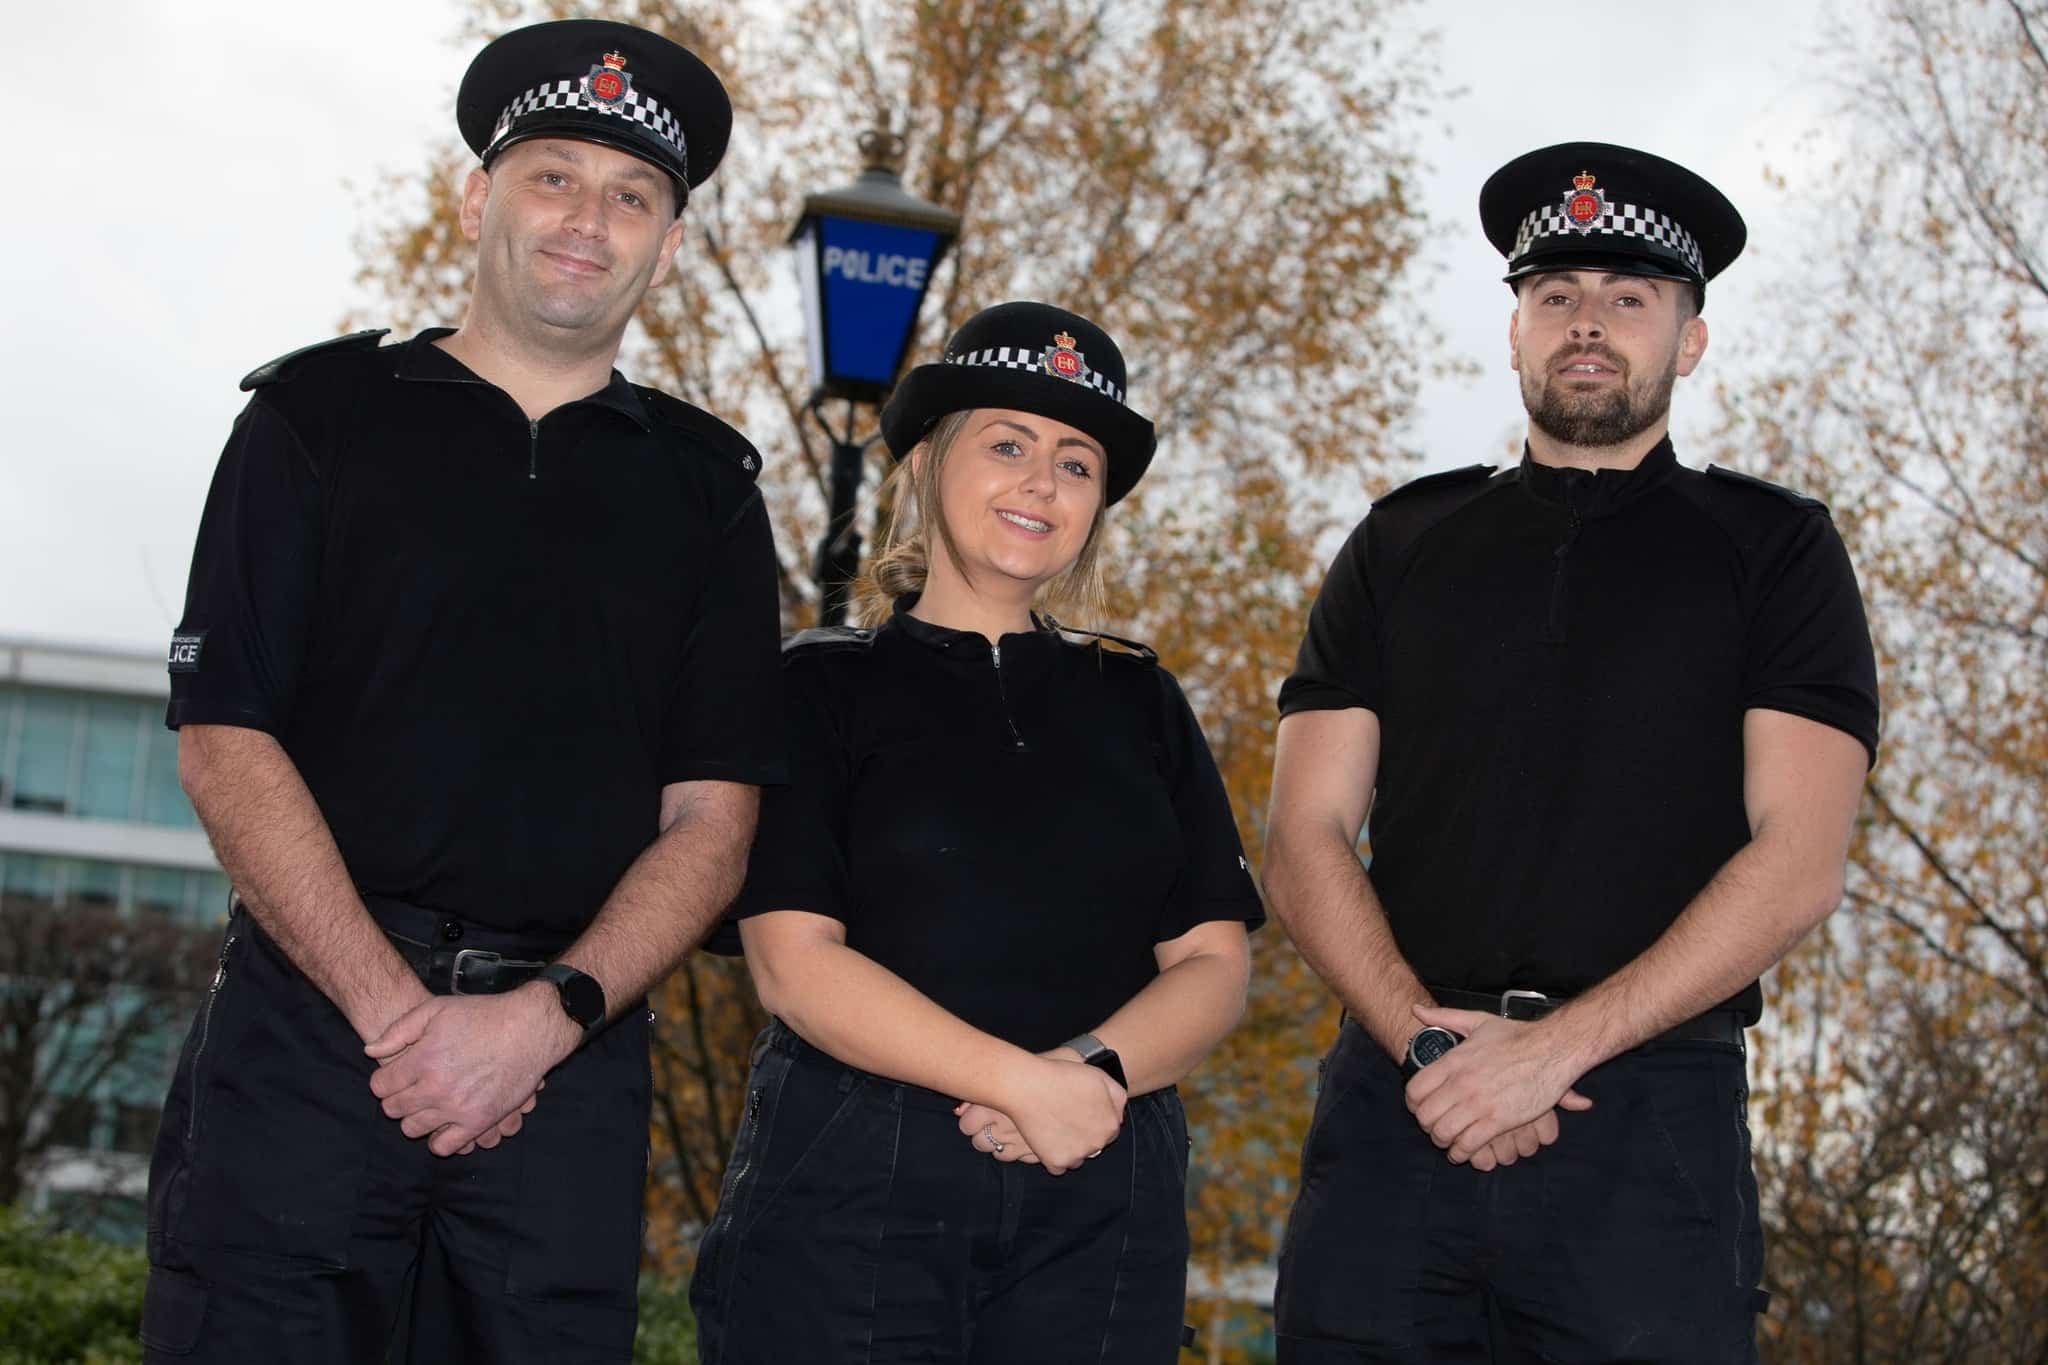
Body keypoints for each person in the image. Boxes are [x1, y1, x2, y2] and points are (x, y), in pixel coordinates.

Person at [139, 20, 785, 1364]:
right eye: (553, 177)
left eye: (630, 198)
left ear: (668, 247)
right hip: (308, 1041)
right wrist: (403, 1023)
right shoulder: (314, 421)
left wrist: (536, 1026)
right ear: (474, 197)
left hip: (566, 1065)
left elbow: (713, 823)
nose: (587, 222)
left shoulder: (709, 494)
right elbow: (224, 740)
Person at [1264, 142, 1881, 1361]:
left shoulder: (1775, 550)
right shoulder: (1400, 541)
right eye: (1555, 296)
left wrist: (1548, 1056)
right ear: (1514, 332)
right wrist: (1432, 1049)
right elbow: (1301, 836)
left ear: (1687, 342)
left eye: (1627, 298)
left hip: (1645, 1126)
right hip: (1398, 1103)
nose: (1585, 323)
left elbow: (1799, 861)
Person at [687, 301, 1265, 1364]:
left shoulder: (1140, 701)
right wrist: (1016, 1083)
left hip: (1102, 1174)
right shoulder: (818, 687)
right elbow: (792, 963)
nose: (1041, 482)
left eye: (1075, 463)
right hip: (853, 1180)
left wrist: (1088, 1072)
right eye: (1007, 444)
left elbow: (1213, 963)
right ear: (924, 462)